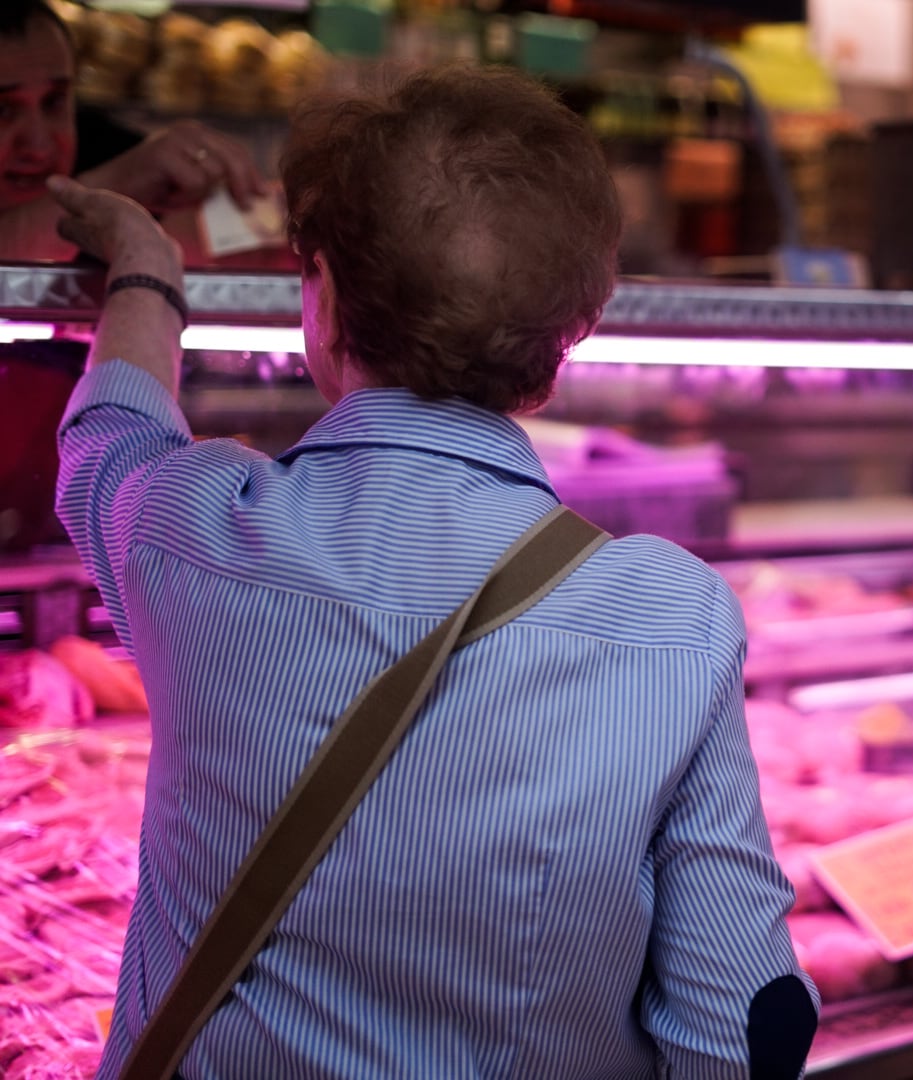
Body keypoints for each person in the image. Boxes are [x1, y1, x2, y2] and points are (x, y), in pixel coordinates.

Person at [53, 63, 818, 1078]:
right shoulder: (670, 617)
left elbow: (107, 438)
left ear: (317, 300)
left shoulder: (192, 527)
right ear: (563, 344)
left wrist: (146, 270)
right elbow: (736, 1030)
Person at [0, 0, 264, 261]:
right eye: (3, 110)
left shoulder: (110, 149)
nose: (39, 146)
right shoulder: (122, 174)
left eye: (54, 102)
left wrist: (268, 215)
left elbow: (215, 241)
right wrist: (106, 189)